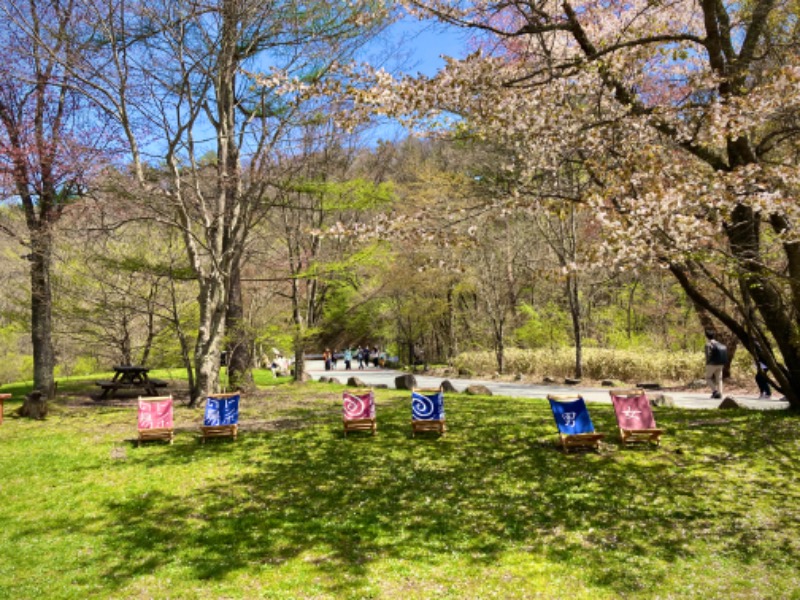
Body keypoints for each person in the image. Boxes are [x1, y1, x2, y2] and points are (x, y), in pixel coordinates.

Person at [704, 330, 727, 399]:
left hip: (712, 364)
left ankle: (715, 391)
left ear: (706, 336)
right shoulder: (719, 343)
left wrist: (707, 363)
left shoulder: (708, 344)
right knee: (719, 379)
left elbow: (707, 355)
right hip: (721, 364)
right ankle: (720, 394)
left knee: (708, 378)